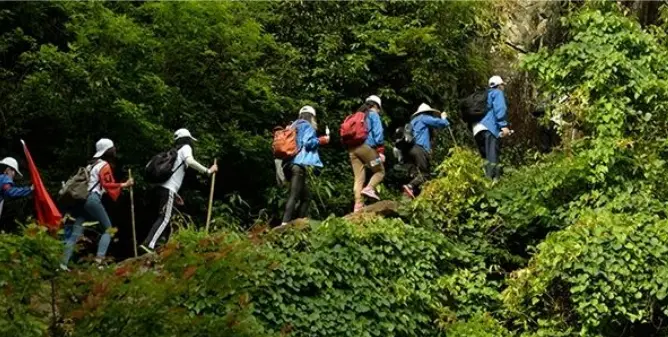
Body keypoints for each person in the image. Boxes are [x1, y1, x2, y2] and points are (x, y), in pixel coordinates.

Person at [140, 128, 217, 253]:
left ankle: (160, 243)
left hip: (160, 189)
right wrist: (208, 171)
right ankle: (149, 244)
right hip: (168, 189)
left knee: (168, 217)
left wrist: (175, 194)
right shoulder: (186, 148)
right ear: (187, 139)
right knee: (165, 217)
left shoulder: (174, 151)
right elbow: (190, 161)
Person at [61, 138, 133, 270]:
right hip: (92, 199)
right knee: (108, 230)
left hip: (82, 201)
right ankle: (99, 262)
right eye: (113, 148)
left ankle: (62, 264)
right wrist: (125, 184)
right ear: (108, 150)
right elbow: (107, 184)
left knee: (75, 234)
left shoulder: (91, 165)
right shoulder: (104, 165)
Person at [279, 106, 329, 228]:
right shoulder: (307, 126)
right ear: (311, 117)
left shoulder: (292, 126)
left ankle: (298, 222)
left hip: (287, 165)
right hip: (298, 165)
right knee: (294, 195)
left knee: (307, 197)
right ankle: (284, 224)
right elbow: (308, 143)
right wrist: (323, 140)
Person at [402, 103, 450, 199]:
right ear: (428, 112)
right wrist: (444, 118)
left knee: (416, 174)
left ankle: (411, 196)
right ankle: (410, 186)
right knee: (425, 174)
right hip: (420, 149)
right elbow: (441, 123)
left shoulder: (413, 121)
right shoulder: (424, 117)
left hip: (410, 150)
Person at [349, 95, 385, 212]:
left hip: (353, 150)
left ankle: (358, 206)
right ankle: (369, 188)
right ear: (375, 106)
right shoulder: (373, 114)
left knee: (359, 178)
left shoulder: (357, 115)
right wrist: (380, 151)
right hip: (366, 148)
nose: (379, 111)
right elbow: (378, 134)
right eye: (379, 109)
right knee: (379, 171)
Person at [473, 76, 511, 180]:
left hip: (477, 129)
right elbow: (500, 109)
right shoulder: (497, 93)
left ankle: (485, 181)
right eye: (503, 85)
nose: (503, 87)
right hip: (489, 128)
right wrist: (503, 126)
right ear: (499, 85)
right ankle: (493, 182)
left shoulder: (485, 95)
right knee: (492, 156)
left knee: (485, 158)